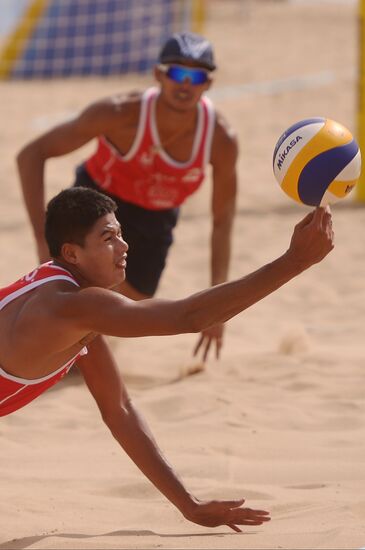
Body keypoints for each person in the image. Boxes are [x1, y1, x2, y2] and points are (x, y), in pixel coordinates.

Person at [0, 186, 334, 531]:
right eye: (108, 237)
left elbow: (120, 410)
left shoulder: (73, 306)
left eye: (121, 233)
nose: (124, 246)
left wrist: (188, 505)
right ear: (71, 253)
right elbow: (188, 317)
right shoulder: (72, 307)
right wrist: (294, 261)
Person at [16, 31, 238, 361]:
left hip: (156, 216)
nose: (186, 84)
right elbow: (31, 155)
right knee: (82, 291)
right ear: (159, 75)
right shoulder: (120, 113)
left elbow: (222, 222)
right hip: (97, 200)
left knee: (130, 303)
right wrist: (40, 237)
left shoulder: (220, 139)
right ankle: (47, 346)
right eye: (178, 73)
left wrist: (219, 304)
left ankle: (78, 342)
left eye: (197, 76)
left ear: (208, 84)